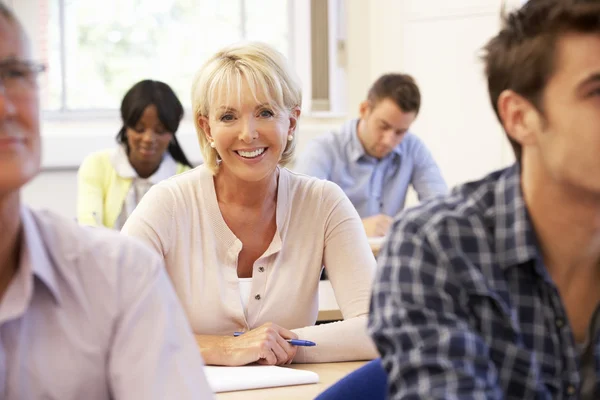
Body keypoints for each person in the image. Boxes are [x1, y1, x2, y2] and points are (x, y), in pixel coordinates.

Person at [369, 0, 600, 398]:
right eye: (596, 91)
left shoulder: (415, 154)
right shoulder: (434, 248)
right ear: (519, 117)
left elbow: (433, 188)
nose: (391, 140)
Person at [0, 4, 213, 399]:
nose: (4, 105)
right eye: (139, 128)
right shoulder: (99, 167)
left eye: (14, 74)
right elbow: (90, 222)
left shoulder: (124, 276)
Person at [121, 42, 378, 366]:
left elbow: (381, 328)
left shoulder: (324, 204)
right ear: (207, 128)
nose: (248, 133)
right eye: (228, 116)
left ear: (292, 122)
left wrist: (278, 347)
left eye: (265, 113)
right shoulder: (167, 204)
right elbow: (110, 323)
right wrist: (223, 348)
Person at [295, 73, 447, 237]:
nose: (389, 140)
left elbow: (441, 210)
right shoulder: (323, 150)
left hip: (388, 258)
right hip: (335, 258)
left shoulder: (413, 148)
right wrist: (353, 227)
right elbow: (298, 219)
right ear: (364, 110)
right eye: (383, 126)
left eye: (400, 132)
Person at [77, 79, 193, 229]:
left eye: (160, 131)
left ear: (172, 132)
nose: (148, 139)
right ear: (126, 127)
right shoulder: (97, 165)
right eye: (139, 129)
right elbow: (89, 229)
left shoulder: (187, 179)